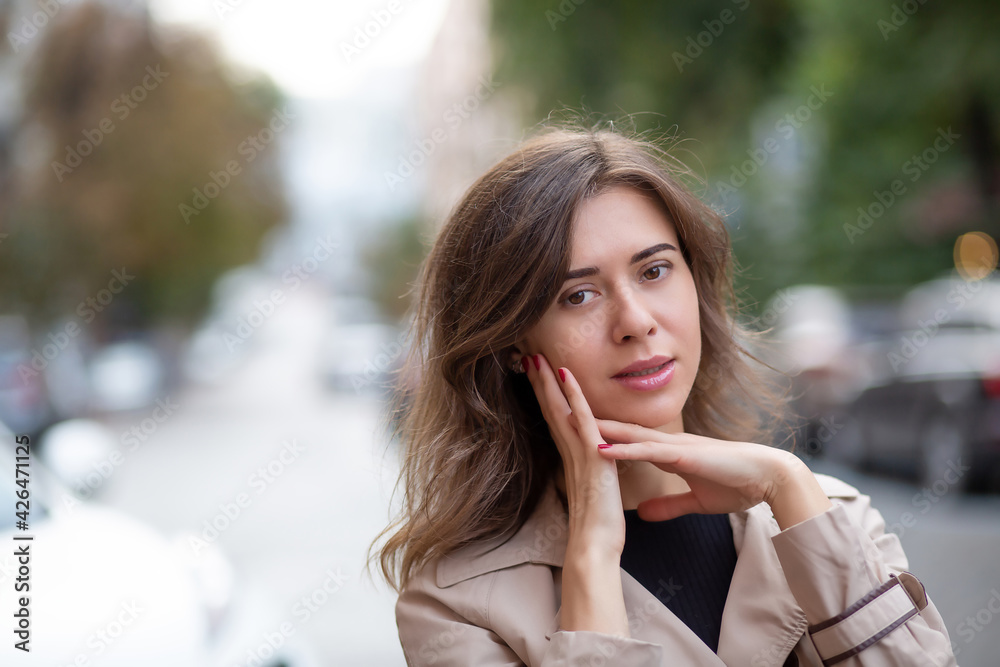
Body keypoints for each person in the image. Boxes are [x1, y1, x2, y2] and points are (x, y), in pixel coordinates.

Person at [372, 123, 958, 666]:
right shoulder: (456, 604)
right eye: (577, 295)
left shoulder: (829, 515)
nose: (635, 321)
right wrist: (592, 557)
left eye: (654, 271)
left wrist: (789, 484)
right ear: (509, 345)